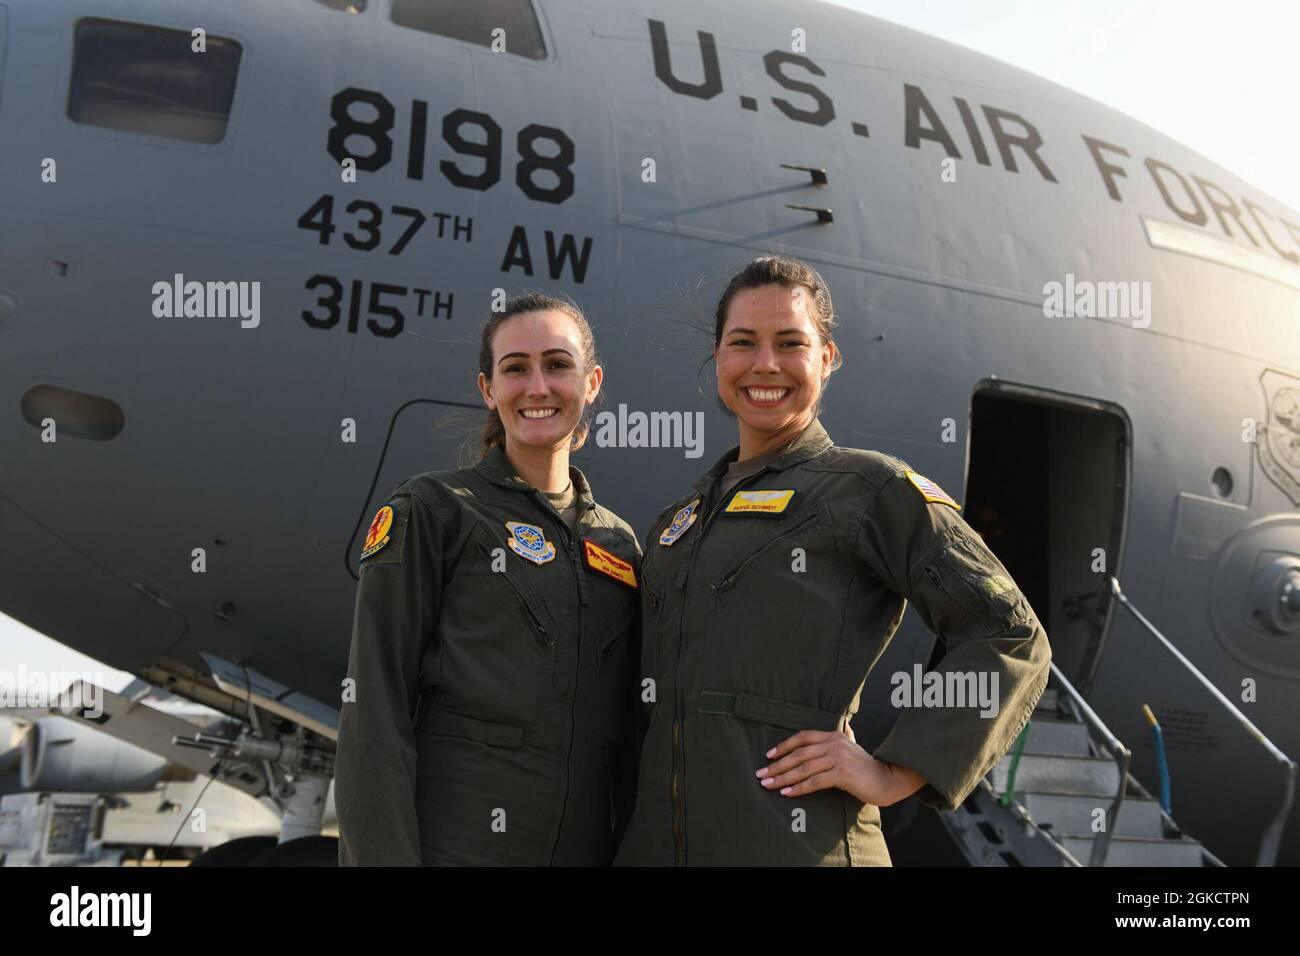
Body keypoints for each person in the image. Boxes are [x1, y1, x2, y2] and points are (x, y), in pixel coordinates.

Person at [613, 256, 1052, 866]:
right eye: (744, 343)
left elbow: (1007, 632)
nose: (765, 364)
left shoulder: (867, 489)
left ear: (827, 359)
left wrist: (894, 772)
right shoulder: (678, 522)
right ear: (718, 360)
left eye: (790, 343)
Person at [335, 293, 642, 865]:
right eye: (515, 369)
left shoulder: (617, 544)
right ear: (488, 389)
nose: (537, 387)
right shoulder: (434, 512)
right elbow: (373, 712)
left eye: (557, 364)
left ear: (592, 382)